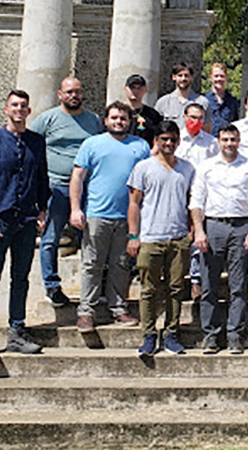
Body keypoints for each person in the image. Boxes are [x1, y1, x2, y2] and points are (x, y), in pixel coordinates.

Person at [0, 89, 49, 360]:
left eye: (24, 106)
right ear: (6, 109)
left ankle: (17, 331)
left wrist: (42, 210)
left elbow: (42, 178)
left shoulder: (36, 142)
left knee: (21, 277)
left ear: (29, 112)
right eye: (14, 105)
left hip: (27, 221)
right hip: (0, 220)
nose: (19, 109)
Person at [70, 101, 150, 333]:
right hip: (97, 215)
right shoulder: (91, 144)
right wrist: (76, 209)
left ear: (129, 121)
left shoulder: (141, 146)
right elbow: (77, 178)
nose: (118, 121)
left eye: (123, 118)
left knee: (121, 264)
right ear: (105, 121)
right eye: (114, 118)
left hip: (128, 218)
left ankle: (118, 308)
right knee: (91, 265)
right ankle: (86, 312)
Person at [190, 124, 248, 355]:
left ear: (239, 140)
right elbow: (196, 201)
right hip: (213, 225)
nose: (229, 144)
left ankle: (235, 335)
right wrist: (199, 230)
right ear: (219, 141)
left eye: (233, 139)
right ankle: (211, 335)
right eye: (225, 140)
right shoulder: (207, 167)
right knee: (209, 284)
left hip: (241, 226)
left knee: (238, 284)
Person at [29, 77, 102, 308]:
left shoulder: (94, 120)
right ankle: (52, 287)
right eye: (69, 91)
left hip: (88, 188)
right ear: (60, 94)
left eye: (78, 91)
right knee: (51, 238)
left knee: (91, 239)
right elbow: (30, 145)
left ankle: (93, 288)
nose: (74, 95)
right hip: (56, 187)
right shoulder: (48, 119)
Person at [127, 121, 194, 356]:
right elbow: (134, 203)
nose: (169, 144)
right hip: (150, 237)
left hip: (177, 237)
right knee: (148, 289)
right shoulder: (144, 168)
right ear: (156, 140)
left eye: (173, 139)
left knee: (176, 288)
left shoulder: (187, 169)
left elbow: (191, 201)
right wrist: (134, 235)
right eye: (164, 139)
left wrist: (192, 229)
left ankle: (171, 332)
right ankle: (148, 334)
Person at [174, 102, 219, 299]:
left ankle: (196, 279)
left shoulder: (211, 143)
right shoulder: (176, 141)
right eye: (192, 117)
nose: (195, 122)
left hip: (202, 197)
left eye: (200, 118)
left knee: (198, 237)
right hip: (177, 195)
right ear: (184, 117)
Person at [154, 62, 211, 133]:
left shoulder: (202, 102)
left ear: (192, 77)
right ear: (173, 77)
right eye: (180, 75)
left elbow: (207, 130)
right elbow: (156, 128)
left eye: (186, 75)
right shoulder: (163, 102)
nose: (183, 79)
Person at [124, 74, 163, 147]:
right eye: (132, 88)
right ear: (125, 89)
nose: (136, 91)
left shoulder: (152, 115)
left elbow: (158, 137)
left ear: (145, 90)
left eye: (139, 88)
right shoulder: (117, 112)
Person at [205, 62, 240, 136]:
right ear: (210, 78)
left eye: (222, 76)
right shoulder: (204, 100)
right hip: (209, 142)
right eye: (216, 76)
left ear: (226, 77)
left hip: (227, 142)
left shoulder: (233, 102)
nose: (219, 79)